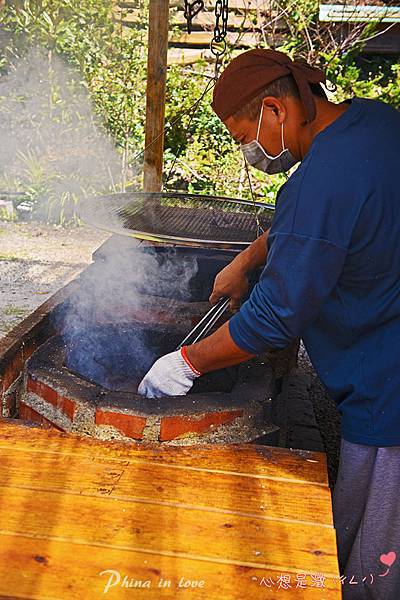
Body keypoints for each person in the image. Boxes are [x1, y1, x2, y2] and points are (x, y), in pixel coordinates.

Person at [138, 49, 400, 599]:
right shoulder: (374, 123)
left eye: (243, 136)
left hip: (388, 387)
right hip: (385, 339)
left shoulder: (320, 183)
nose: (248, 151)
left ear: (277, 111)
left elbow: (275, 317)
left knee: (372, 556)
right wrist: (247, 260)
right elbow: (318, 222)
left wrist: (187, 363)